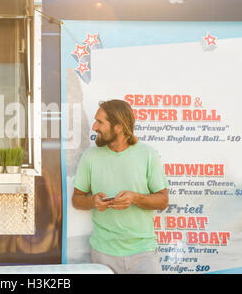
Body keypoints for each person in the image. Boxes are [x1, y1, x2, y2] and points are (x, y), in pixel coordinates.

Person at [72, 99, 169, 274]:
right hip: (103, 254)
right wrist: (93, 201)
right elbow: (77, 200)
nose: (94, 127)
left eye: (100, 122)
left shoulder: (148, 154)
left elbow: (163, 200)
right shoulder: (90, 156)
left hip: (143, 254)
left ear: (118, 127)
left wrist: (135, 198)